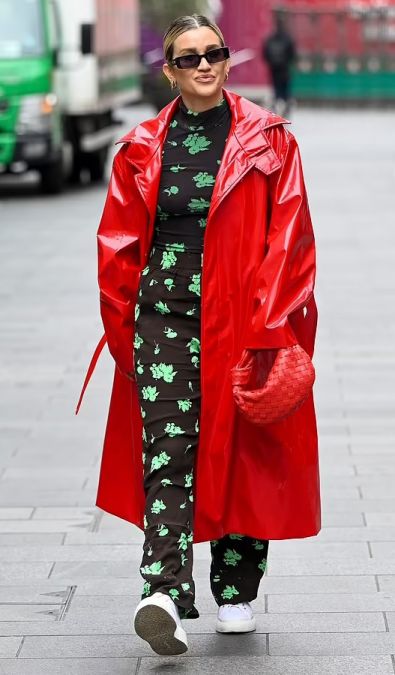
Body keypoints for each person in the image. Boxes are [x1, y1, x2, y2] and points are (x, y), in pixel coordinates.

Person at [94, 13, 320, 657]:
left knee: (242, 445)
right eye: (187, 57)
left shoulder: (269, 140)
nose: (202, 65)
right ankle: (163, 589)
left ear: (227, 61)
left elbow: (293, 240)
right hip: (165, 317)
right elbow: (117, 250)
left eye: (213, 53)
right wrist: (124, 337)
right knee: (169, 447)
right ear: (168, 70)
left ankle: (236, 590)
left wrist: (269, 326)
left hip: (245, 318)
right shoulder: (141, 146)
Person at [263, 11, 297, 116]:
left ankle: (277, 105)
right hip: (284, 68)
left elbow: (264, 53)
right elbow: (292, 54)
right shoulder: (288, 39)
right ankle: (285, 106)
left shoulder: (270, 39)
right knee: (285, 88)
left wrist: (270, 62)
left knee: (276, 88)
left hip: (274, 69)